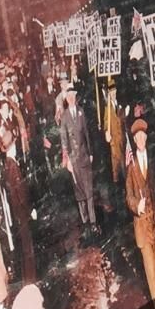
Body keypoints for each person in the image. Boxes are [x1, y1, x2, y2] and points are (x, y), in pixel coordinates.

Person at [125, 117, 155, 301]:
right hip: (142, 227)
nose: (140, 140)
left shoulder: (153, 162)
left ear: (146, 138)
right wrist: (136, 205)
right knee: (151, 271)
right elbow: (128, 196)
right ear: (134, 140)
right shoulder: (131, 167)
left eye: (142, 136)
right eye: (137, 138)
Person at [56, 80, 96, 227]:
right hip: (73, 160)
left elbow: (86, 133)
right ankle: (85, 222)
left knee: (89, 189)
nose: (72, 98)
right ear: (66, 99)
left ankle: (93, 222)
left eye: (73, 96)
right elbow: (63, 140)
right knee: (79, 192)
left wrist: (90, 152)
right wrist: (67, 160)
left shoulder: (81, 112)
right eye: (69, 96)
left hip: (84, 156)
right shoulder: (64, 117)